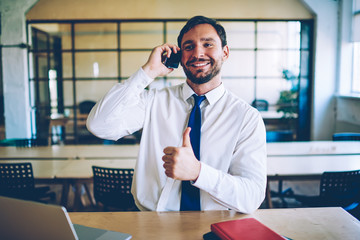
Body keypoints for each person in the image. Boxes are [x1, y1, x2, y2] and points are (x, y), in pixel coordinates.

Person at [87, 16, 267, 213]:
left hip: (216, 226)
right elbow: (99, 125)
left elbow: (252, 197)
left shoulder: (247, 117)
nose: (198, 53)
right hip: (151, 224)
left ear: (225, 52)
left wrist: (199, 173)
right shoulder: (153, 101)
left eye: (208, 44)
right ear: (180, 57)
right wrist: (148, 72)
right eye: (189, 47)